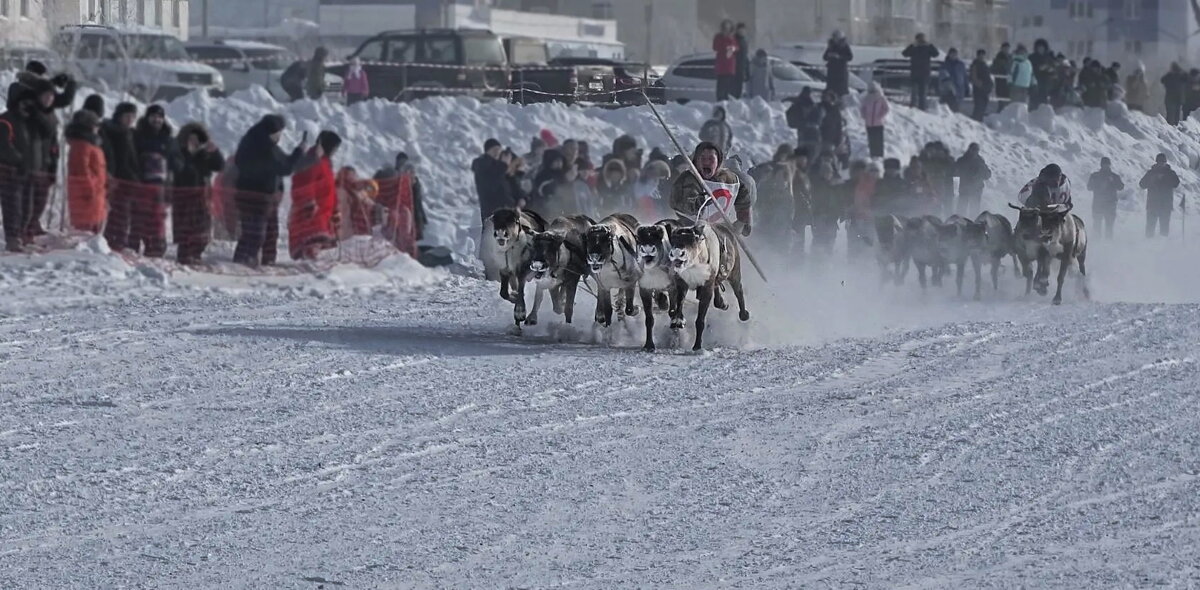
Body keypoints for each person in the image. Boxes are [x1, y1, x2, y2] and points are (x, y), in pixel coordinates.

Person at [8, 62, 76, 240]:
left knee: (38, 198)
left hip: (43, 155)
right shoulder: (20, 92)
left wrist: (66, 83)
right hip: (27, 156)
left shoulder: (41, 100)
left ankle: (30, 227)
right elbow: (33, 97)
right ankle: (22, 232)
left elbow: (56, 99)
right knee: (23, 202)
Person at [233, 114, 306, 266]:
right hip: (257, 197)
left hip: (262, 196)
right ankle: (243, 261)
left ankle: (267, 260)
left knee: (270, 232)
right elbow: (285, 167)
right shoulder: (263, 146)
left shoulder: (255, 140)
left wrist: (296, 153)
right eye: (279, 133)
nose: (280, 136)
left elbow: (283, 161)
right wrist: (299, 152)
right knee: (255, 234)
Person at [669, 141, 753, 235]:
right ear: (696, 161)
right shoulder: (687, 179)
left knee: (728, 247)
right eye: (702, 158)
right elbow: (677, 203)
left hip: (719, 230)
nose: (706, 162)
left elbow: (744, 200)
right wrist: (699, 202)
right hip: (688, 228)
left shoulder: (730, 179)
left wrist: (743, 221)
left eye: (711, 159)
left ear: (718, 161)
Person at [172, 122, 224, 264]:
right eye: (191, 138)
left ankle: (196, 254)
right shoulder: (178, 152)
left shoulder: (204, 154)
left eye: (197, 139)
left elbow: (219, 166)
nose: (194, 142)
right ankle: (184, 257)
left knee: (202, 231)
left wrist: (214, 152)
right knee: (185, 231)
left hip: (203, 198)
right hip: (184, 199)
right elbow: (179, 170)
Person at [130, 104, 178, 258]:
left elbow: (176, 161)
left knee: (157, 218)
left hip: (160, 187)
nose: (157, 120)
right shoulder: (138, 135)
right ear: (147, 117)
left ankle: (155, 248)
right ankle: (132, 248)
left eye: (160, 117)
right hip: (140, 185)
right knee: (137, 218)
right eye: (153, 116)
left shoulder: (168, 139)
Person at [288, 131, 340, 260]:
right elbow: (304, 182)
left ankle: (312, 260)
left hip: (324, 209)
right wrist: (308, 202)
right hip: (314, 209)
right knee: (311, 238)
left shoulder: (326, 162)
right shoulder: (313, 160)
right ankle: (309, 260)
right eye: (334, 148)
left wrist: (335, 207)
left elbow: (331, 187)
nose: (335, 151)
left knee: (318, 240)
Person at [102, 102, 141, 252]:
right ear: (119, 115)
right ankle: (114, 242)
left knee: (124, 213)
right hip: (117, 179)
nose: (130, 119)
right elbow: (111, 155)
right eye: (127, 116)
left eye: (132, 116)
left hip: (129, 179)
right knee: (119, 213)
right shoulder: (111, 130)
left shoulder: (130, 133)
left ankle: (116, 241)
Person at [64, 110, 107, 235]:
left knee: (94, 227)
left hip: (95, 193)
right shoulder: (81, 145)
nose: (97, 128)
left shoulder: (91, 144)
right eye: (95, 125)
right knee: (85, 230)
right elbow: (80, 171)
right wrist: (89, 190)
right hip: (87, 195)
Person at [808, 149, 844, 255]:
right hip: (819, 218)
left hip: (832, 219)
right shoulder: (817, 185)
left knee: (829, 244)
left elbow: (840, 201)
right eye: (825, 172)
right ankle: (816, 263)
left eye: (829, 173)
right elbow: (814, 201)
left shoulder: (836, 185)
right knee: (818, 242)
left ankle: (826, 263)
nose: (827, 174)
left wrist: (839, 213)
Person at [472, 138, 513, 222]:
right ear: (487, 151)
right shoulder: (482, 163)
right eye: (494, 150)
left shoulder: (497, 165)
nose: (497, 152)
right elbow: (491, 184)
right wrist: (503, 165)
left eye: (499, 150)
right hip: (491, 210)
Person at [1139, 153, 1180, 238]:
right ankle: (1147, 246)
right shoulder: (1151, 173)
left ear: (1165, 162)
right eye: (1159, 162)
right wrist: (1152, 179)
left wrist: (1165, 178)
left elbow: (1176, 183)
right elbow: (1142, 184)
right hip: (1152, 205)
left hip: (1165, 205)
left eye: (1162, 162)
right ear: (1156, 162)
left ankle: (1163, 248)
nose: (1161, 164)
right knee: (1150, 230)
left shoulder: (1170, 173)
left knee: (1164, 230)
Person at [1087, 157, 1124, 239]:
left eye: (1107, 165)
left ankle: (1108, 245)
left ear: (1109, 165)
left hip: (1110, 204)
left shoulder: (1114, 176)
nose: (1106, 166)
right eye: (1104, 165)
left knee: (1109, 227)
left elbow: (1121, 187)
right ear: (1101, 165)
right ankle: (1097, 243)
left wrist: (1113, 181)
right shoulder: (1095, 176)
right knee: (1097, 226)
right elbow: (1089, 187)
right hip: (1098, 204)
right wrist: (1097, 184)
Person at [902, 33, 940, 110]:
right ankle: (913, 109)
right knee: (914, 94)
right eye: (919, 39)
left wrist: (930, 45)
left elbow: (936, 54)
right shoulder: (914, 48)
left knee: (922, 94)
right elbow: (905, 54)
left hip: (924, 74)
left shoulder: (927, 47)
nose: (921, 41)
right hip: (916, 74)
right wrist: (912, 45)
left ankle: (922, 109)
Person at [953, 142, 991, 216]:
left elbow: (987, 175)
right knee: (961, 210)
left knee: (974, 211)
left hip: (976, 189)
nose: (975, 152)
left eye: (976, 150)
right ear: (969, 150)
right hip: (965, 189)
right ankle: (961, 224)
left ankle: (973, 225)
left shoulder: (980, 161)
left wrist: (982, 173)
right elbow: (954, 172)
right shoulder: (962, 160)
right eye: (973, 150)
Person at [919, 141, 955, 215]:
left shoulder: (946, 159)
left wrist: (945, 157)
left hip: (946, 186)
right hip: (933, 186)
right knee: (935, 205)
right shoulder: (927, 159)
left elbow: (953, 169)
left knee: (947, 207)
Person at [785, 87, 823, 155]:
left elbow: (790, 116)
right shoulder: (813, 105)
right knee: (811, 153)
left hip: (803, 132)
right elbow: (818, 120)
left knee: (803, 152)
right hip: (812, 133)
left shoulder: (797, 103)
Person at [860, 82, 889, 158]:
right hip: (869, 123)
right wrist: (864, 116)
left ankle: (879, 154)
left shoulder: (881, 98)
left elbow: (886, 108)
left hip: (879, 123)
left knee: (878, 140)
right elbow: (862, 108)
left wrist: (880, 115)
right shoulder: (866, 98)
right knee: (871, 140)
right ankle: (872, 154)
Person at [713, 20, 739, 101]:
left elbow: (737, 47)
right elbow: (715, 47)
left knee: (728, 88)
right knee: (721, 88)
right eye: (725, 27)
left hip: (730, 66)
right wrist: (726, 45)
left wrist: (732, 48)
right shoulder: (718, 37)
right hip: (721, 66)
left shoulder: (732, 37)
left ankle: (727, 102)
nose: (726, 29)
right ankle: (720, 102)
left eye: (728, 28)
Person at [818, 90, 846, 165]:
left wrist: (838, 139)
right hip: (819, 137)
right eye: (825, 96)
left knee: (827, 157)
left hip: (829, 138)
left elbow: (838, 126)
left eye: (828, 96)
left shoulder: (834, 109)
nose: (826, 98)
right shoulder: (818, 107)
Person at [823, 30, 853, 97]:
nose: (835, 39)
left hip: (841, 72)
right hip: (832, 72)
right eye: (834, 37)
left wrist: (839, 57)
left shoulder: (845, 46)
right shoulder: (831, 46)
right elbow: (824, 57)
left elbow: (850, 57)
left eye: (836, 37)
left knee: (840, 91)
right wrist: (829, 55)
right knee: (831, 90)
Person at [938, 48, 968, 112]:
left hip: (959, 89)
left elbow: (964, 76)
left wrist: (967, 87)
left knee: (957, 109)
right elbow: (943, 77)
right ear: (949, 55)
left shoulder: (960, 64)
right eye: (952, 54)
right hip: (949, 91)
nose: (954, 56)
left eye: (955, 54)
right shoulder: (945, 65)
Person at [1029, 39, 1056, 110]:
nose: (1041, 49)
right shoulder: (1032, 57)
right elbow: (1030, 68)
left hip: (1046, 83)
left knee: (1044, 100)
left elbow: (1054, 69)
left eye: (1042, 48)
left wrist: (1049, 69)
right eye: (1039, 48)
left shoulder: (1048, 58)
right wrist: (1038, 68)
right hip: (1035, 82)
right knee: (1034, 99)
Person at [970, 49, 994, 121]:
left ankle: (979, 119)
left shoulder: (984, 65)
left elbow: (988, 76)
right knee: (978, 106)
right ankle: (976, 120)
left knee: (983, 105)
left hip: (985, 88)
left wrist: (989, 85)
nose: (982, 56)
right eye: (980, 55)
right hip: (979, 89)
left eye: (983, 55)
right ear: (977, 56)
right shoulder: (975, 65)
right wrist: (981, 86)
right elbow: (974, 78)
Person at [734, 23, 750, 99]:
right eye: (740, 30)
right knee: (733, 91)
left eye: (743, 30)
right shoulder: (733, 40)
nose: (741, 31)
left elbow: (745, 57)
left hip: (741, 69)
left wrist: (747, 71)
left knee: (738, 91)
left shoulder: (744, 41)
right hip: (733, 70)